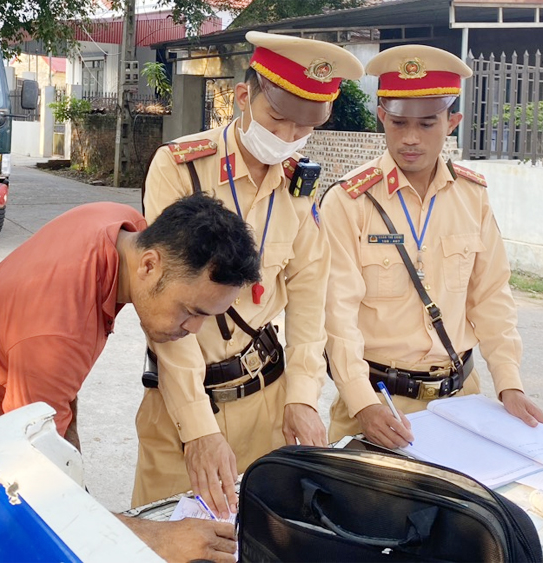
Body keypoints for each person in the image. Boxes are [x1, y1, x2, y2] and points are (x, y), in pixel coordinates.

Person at [0, 195, 260, 563]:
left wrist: (69, 458)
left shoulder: (122, 226)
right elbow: (37, 496)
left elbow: (59, 398)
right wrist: (159, 538)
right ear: (150, 265)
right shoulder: (55, 330)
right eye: (191, 311)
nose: (194, 329)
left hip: (19, 430)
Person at [132, 31, 364, 518]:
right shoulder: (182, 169)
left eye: (302, 129)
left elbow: (308, 300)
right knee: (170, 537)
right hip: (182, 406)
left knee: (267, 536)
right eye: (277, 119)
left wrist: (302, 396)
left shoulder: (300, 188)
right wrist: (198, 430)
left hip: (268, 397)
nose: (285, 139)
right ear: (243, 96)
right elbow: (169, 310)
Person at [320, 44, 543, 450]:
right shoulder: (349, 201)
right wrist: (362, 403)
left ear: (453, 122)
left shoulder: (472, 195)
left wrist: (509, 385)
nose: (410, 138)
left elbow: (492, 295)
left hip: (462, 402)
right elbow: (336, 315)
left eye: (427, 124)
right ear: (382, 118)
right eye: (398, 123)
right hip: (381, 406)